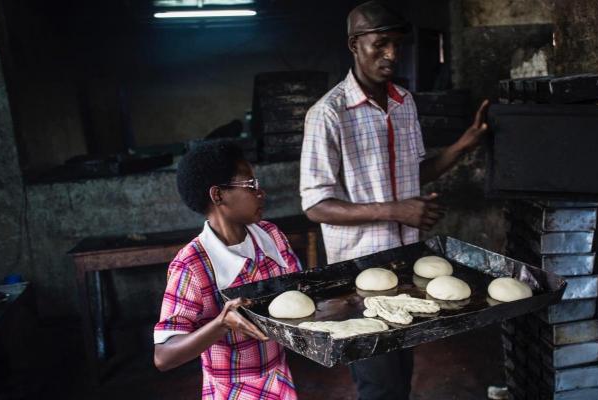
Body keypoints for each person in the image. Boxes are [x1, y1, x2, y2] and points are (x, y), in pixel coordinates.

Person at [298, 2, 490, 399]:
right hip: (361, 273)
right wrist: (397, 210)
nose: (391, 55)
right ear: (354, 44)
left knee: (402, 372)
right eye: (380, 44)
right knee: (378, 383)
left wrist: (462, 145)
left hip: (407, 264)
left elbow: (412, 173)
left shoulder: (404, 102)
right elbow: (315, 205)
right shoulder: (328, 114)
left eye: (397, 45)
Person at [154, 141, 301, 400]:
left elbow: (301, 291)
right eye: (250, 185)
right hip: (231, 392)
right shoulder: (192, 265)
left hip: (279, 378)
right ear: (218, 195)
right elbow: (164, 356)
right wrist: (222, 324)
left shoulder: (271, 236)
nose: (260, 192)